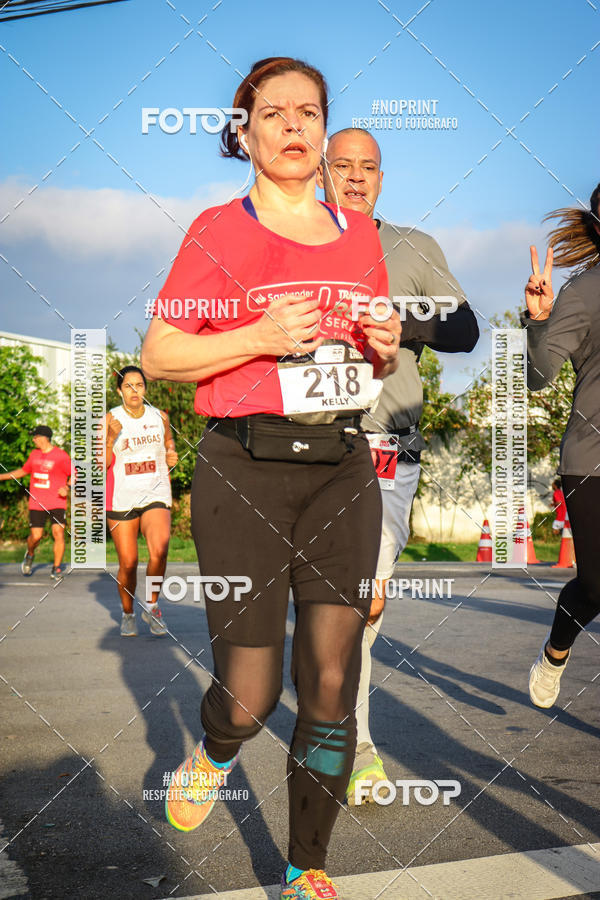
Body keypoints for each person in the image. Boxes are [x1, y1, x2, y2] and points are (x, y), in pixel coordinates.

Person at [141, 57, 401, 900]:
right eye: (274, 112)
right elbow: (161, 355)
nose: (293, 125)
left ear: (324, 132)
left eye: (309, 113)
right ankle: (214, 753)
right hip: (243, 464)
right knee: (250, 694)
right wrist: (255, 333)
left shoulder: (359, 235)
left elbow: (366, 355)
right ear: (243, 131)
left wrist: (387, 342)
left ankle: (306, 867)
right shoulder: (217, 230)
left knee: (331, 679)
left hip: (341, 466)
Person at [319, 127, 479, 803]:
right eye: (343, 166)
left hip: (388, 445)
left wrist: (403, 322)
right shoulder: (290, 245)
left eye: (369, 167)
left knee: (366, 603)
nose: (356, 177)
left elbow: (465, 328)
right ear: (320, 172)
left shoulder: (414, 247)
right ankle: (346, 736)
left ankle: (346, 730)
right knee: (332, 602)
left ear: (382, 177)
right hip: (306, 444)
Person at [524, 183, 600, 708]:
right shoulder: (586, 291)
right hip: (592, 460)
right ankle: (556, 651)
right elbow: (539, 374)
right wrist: (539, 320)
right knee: (596, 584)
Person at [106, 365, 178, 637]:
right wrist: (111, 436)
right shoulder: (109, 419)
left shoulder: (159, 416)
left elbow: (168, 443)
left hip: (155, 492)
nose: (134, 391)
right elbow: (101, 464)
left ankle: (152, 605)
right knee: (128, 562)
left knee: (159, 550)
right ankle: (128, 613)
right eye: (128, 386)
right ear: (119, 390)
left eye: (139, 385)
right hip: (122, 497)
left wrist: (171, 453)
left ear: (145, 389)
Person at [0, 425, 71, 580]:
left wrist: (67, 487)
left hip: (57, 502)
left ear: (44, 437)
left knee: (58, 533)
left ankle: (56, 568)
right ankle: (30, 554)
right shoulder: (34, 455)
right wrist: (2, 476)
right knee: (36, 536)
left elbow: (75, 474)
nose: (33, 440)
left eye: (35, 436)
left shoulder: (61, 456)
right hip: (37, 502)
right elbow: (23, 471)